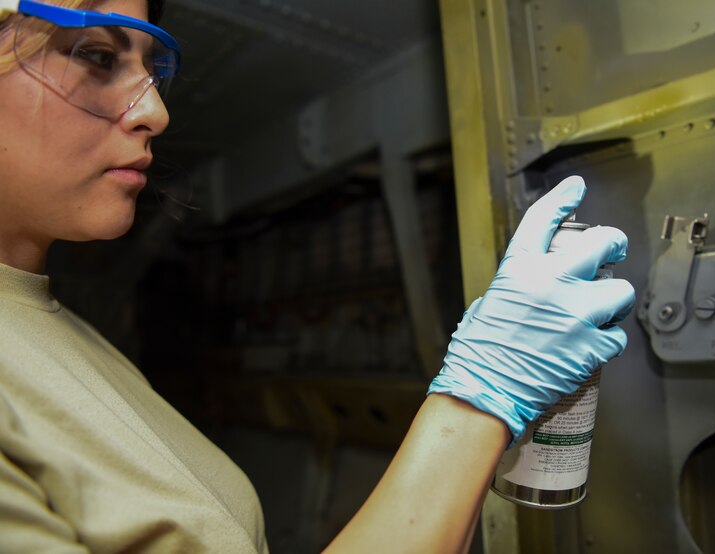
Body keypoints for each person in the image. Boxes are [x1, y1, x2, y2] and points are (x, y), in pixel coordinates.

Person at [0, 0, 636, 552]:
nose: (156, 112)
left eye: (149, 67)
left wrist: (487, 396)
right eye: (96, 56)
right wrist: (483, 395)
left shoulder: (61, 328)